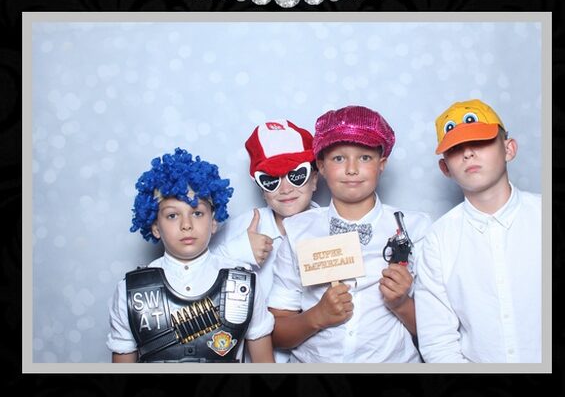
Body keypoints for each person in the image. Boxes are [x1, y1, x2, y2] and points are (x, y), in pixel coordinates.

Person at [268, 106, 428, 364]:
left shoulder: (415, 228)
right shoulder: (298, 230)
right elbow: (275, 333)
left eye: (364, 157)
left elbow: (439, 332)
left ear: (381, 164)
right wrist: (316, 317)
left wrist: (401, 304)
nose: (352, 169)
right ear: (321, 166)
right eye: (339, 158)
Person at [108, 147, 274, 363]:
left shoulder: (244, 283)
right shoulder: (130, 291)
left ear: (213, 221)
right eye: (172, 215)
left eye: (197, 213)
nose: (186, 225)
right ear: (155, 227)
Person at [414, 99, 542, 363]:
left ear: (509, 149)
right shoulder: (437, 240)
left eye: (480, 141)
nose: (468, 153)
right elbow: (438, 342)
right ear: (445, 168)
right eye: (455, 148)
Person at [243, 119, 321, 364]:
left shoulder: (332, 227)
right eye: (271, 180)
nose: (285, 189)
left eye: (296, 175)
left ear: (315, 179)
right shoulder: (243, 228)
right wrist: (240, 250)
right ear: (261, 188)